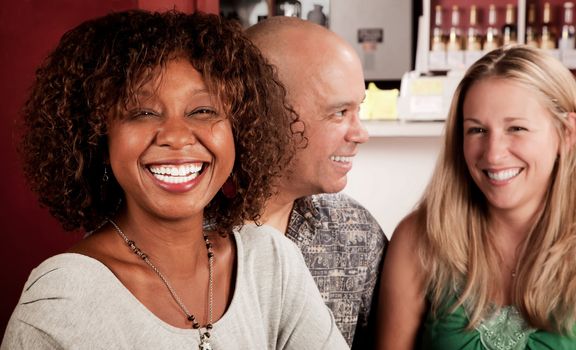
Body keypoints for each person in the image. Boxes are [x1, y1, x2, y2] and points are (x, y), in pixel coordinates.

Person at [1, 10, 349, 349]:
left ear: (239, 132)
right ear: (98, 138)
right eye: (143, 113)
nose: (177, 136)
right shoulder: (61, 302)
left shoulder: (271, 264)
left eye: (203, 111)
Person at [377, 45, 576, 349]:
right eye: (477, 130)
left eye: (517, 128)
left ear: (567, 134)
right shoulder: (419, 239)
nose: (493, 154)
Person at [246, 17, 387, 348]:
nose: (360, 134)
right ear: (262, 113)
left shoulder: (356, 234)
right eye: (339, 113)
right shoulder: (178, 234)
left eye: (358, 110)